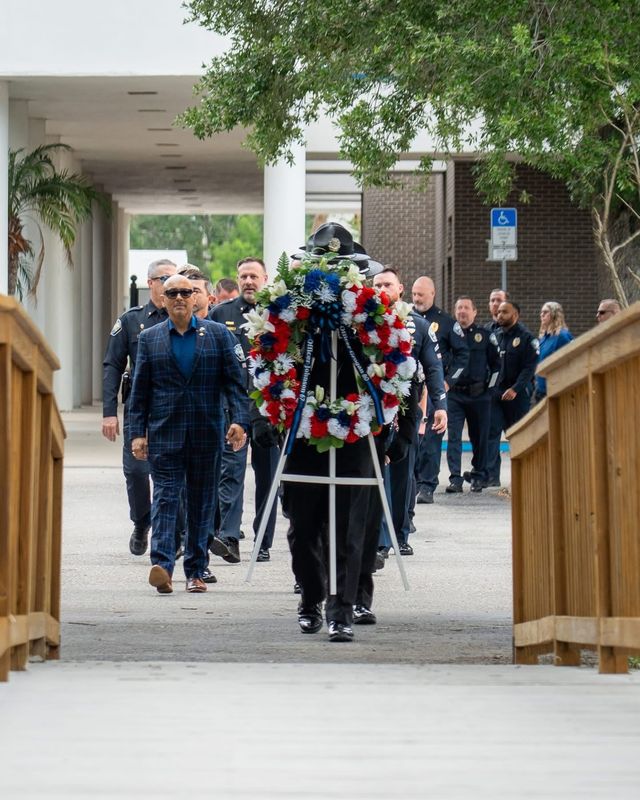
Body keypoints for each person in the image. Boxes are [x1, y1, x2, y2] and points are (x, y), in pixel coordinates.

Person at [278, 223, 393, 641]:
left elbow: (390, 364)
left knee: (349, 525)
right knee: (304, 525)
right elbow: (272, 361)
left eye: (341, 267)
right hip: (305, 429)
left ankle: (341, 610)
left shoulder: (370, 312)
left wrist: (383, 425)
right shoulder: (294, 309)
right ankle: (310, 598)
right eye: (325, 265)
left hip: (354, 428)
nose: (333, 274)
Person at [128, 274, 249, 594]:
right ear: (164, 299)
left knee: (201, 503)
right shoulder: (150, 338)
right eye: (173, 293)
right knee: (166, 499)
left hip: (206, 433)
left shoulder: (219, 336)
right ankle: (163, 566)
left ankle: (196, 570)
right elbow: (139, 392)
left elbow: (236, 385)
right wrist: (136, 433)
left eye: (187, 292)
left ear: (196, 298)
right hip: (165, 433)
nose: (180, 297)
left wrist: (240, 421)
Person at [102, 257, 180, 556]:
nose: (171, 286)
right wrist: (109, 412)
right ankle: (141, 522)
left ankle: (168, 533)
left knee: (168, 475)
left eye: (175, 279)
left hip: (172, 410)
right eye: (164, 279)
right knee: (136, 472)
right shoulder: (132, 320)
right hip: (139, 408)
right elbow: (112, 365)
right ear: (151, 283)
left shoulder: (183, 316)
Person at [371, 268, 447, 558]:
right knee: (377, 469)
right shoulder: (361, 322)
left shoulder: (418, 325)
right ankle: (380, 538)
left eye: (387, 284)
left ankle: (401, 534)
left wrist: (440, 406)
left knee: (403, 472)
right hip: (372, 406)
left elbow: (433, 367)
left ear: (400, 288)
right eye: (377, 284)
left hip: (406, 405)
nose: (382, 289)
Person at [210, 257, 279, 563]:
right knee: (231, 471)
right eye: (243, 276)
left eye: (254, 276)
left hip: (269, 407)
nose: (248, 281)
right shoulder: (220, 314)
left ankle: (263, 540)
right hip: (233, 406)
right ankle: (229, 536)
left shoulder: (279, 313)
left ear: (265, 278)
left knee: (267, 476)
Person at [412, 276, 469, 504]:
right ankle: (413, 481)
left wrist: (447, 382)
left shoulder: (445, 322)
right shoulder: (408, 319)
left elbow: (462, 355)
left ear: (432, 294)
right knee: (414, 437)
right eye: (414, 294)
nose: (416, 299)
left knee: (432, 440)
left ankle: (427, 485)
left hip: (435, 389)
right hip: (414, 390)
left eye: (421, 295)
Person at [446, 296, 500, 493]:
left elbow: (496, 365)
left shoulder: (484, 335)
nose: (462, 311)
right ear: (455, 312)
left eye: (466, 308)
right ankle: (455, 478)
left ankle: (479, 475)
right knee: (453, 437)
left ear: (475, 312)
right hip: (455, 395)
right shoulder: (449, 334)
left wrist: (491, 390)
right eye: (459, 308)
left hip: (480, 395)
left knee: (480, 437)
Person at [486, 300, 539, 487]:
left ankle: (523, 475)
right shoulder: (496, 335)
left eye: (504, 312)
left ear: (515, 315)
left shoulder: (526, 338)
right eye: (498, 312)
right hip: (497, 393)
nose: (499, 315)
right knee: (492, 433)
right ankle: (491, 477)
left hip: (517, 394)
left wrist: (516, 388)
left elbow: (529, 368)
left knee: (516, 434)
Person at [533, 301, 573, 402]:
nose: (542, 314)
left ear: (555, 314)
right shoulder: (543, 338)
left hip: (555, 391)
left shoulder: (562, 336)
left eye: (545, 312)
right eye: (541, 312)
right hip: (540, 390)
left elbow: (570, 362)